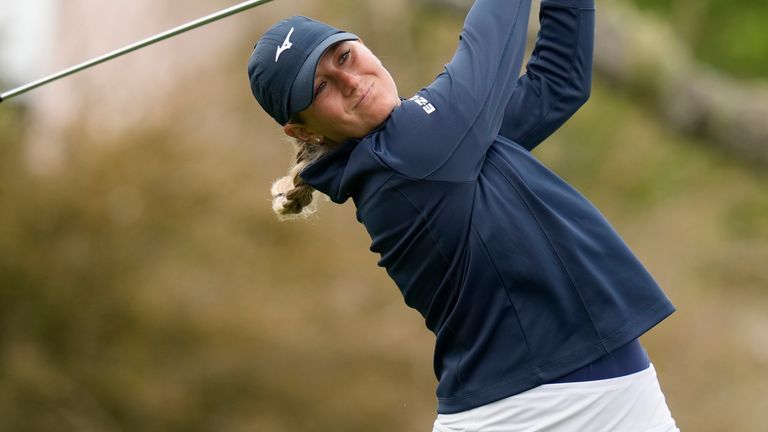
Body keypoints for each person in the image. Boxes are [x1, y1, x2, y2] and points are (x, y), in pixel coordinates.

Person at [247, 0, 679, 430]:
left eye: (344, 57)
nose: (348, 79)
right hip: (554, 410)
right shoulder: (413, 150)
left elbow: (558, 83)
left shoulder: (435, 146)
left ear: (363, 45)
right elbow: (490, 40)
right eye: (319, 88)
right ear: (304, 130)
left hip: (564, 404)